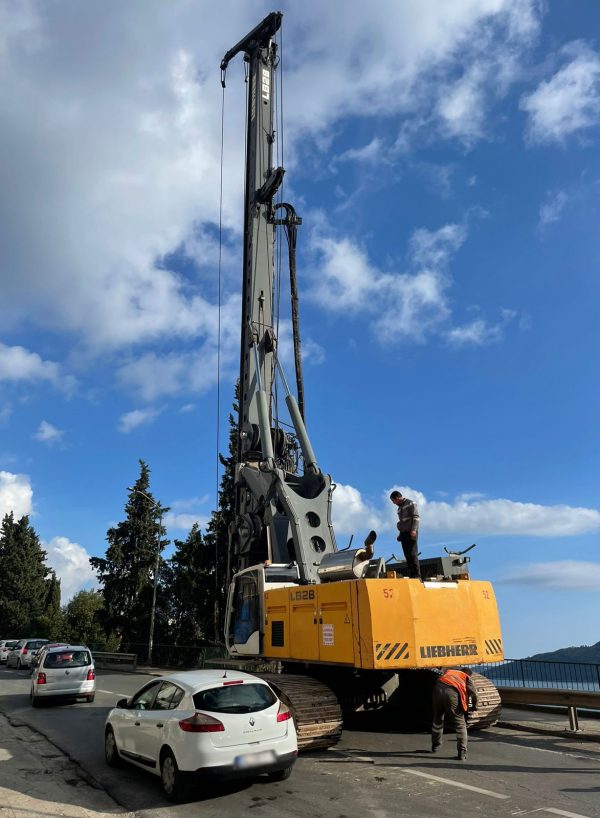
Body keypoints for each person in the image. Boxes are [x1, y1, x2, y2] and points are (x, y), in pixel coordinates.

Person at [431, 667, 478, 760]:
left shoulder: (449, 672)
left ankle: (435, 745)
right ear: (468, 674)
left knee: (438, 719)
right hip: (451, 694)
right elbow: (473, 694)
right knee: (460, 723)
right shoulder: (466, 677)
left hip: (437, 689)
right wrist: (473, 706)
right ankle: (462, 752)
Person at [390, 490, 421, 579]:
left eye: (393, 501)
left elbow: (416, 517)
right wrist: (400, 534)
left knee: (412, 553)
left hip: (411, 532)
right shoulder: (399, 509)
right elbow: (402, 522)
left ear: (397, 498)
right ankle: (412, 575)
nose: (393, 503)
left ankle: (417, 576)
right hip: (404, 533)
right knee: (407, 555)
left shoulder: (411, 503)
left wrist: (414, 530)